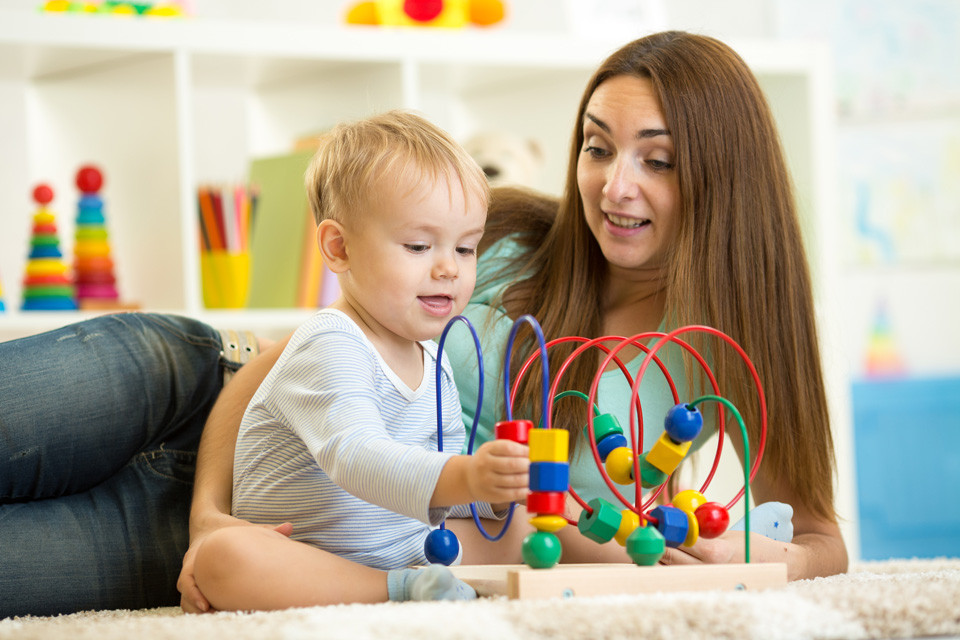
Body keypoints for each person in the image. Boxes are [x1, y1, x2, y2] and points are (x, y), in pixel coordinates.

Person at [0, 30, 847, 620]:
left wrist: (769, 561)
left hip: (302, 555)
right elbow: (289, 355)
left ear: (722, 178)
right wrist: (212, 518)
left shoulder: (722, 354)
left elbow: (819, 538)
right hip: (198, 403)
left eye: (655, 160)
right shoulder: (504, 235)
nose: (613, 186)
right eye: (597, 147)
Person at [189, 110, 532, 611]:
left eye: (465, 248)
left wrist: (493, 494)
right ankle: (395, 590)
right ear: (338, 247)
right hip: (303, 555)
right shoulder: (332, 341)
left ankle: (412, 579)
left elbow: (437, 492)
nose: (448, 269)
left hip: (394, 547)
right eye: (418, 245)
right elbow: (356, 457)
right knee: (224, 557)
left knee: (516, 525)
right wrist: (467, 474)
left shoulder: (433, 358)